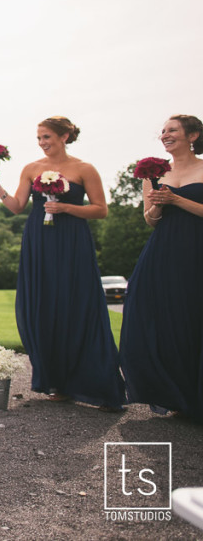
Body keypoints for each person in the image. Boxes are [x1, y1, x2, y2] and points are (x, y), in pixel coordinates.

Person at [0, 116, 124, 410]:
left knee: (79, 303)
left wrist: (65, 207)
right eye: (39, 138)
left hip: (73, 241)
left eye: (47, 137)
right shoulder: (31, 169)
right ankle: (57, 382)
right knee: (45, 305)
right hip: (39, 241)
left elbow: (100, 210)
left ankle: (97, 383)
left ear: (65, 136)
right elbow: (16, 207)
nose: (42, 143)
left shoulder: (84, 169)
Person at [119, 114, 203, 420]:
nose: (165, 135)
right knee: (153, 314)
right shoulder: (154, 173)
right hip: (164, 251)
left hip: (197, 250)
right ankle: (172, 392)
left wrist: (177, 201)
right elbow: (150, 220)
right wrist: (157, 203)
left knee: (193, 318)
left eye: (172, 130)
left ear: (192, 136)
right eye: (163, 131)